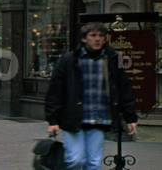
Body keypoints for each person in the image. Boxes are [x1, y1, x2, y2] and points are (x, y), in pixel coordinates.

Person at [45, 22, 138, 170]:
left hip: (99, 118)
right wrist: (53, 120)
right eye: (93, 35)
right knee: (76, 160)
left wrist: (130, 117)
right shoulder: (69, 60)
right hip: (73, 118)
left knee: (94, 163)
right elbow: (55, 91)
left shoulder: (112, 59)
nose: (97, 39)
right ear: (84, 39)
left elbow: (124, 88)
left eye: (101, 36)